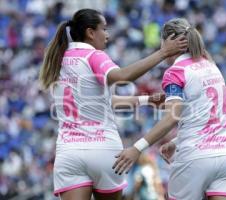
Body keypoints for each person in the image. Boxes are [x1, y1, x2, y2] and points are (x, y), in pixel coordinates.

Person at [39, 9, 187, 200]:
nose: (107, 35)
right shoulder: (93, 55)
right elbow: (123, 76)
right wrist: (163, 52)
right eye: (104, 29)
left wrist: (146, 100)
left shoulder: (59, 59)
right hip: (103, 149)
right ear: (90, 33)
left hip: (69, 152)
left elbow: (102, 102)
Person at [113, 18, 226, 200]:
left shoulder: (176, 72)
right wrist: (176, 141)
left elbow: (172, 117)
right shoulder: (211, 65)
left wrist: (137, 148)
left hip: (194, 158)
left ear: (168, 41)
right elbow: (212, 116)